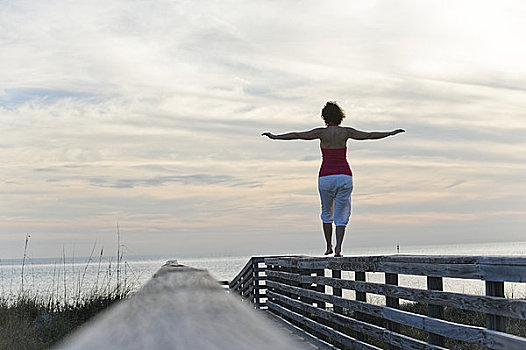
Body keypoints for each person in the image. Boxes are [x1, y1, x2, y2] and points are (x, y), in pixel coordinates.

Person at [262, 101, 405, 257]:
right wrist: (390, 133)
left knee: (326, 212)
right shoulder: (345, 132)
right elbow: (369, 136)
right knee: (342, 214)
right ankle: (338, 249)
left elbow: (297, 135)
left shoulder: (321, 133)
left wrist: (275, 137)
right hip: (344, 176)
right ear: (340, 116)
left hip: (325, 177)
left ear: (324, 117)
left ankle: (328, 246)